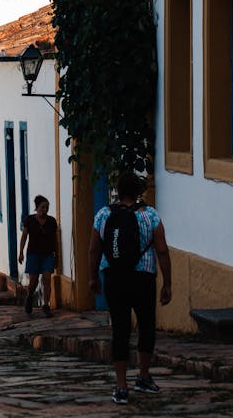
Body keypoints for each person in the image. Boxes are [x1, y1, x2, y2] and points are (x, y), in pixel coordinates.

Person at [89, 170, 173, 405]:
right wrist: (167, 282)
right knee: (146, 326)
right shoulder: (151, 215)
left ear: (118, 190)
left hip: (114, 277)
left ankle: (121, 386)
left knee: (121, 329)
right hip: (143, 277)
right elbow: (163, 250)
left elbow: (94, 249)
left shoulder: (103, 215)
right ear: (138, 192)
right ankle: (144, 376)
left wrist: (92, 277)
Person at [18, 194, 58, 317]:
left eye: (47, 207)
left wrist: (57, 255)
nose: (45, 210)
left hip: (47, 255)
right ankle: (30, 296)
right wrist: (21, 252)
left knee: (47, 279)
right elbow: (24, 236)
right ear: (36, 208)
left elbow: (54, 239)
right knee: (33, 282)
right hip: (33, 254)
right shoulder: (29, 220)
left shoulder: (51, 221)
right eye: (42, 207)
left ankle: (46, 305)